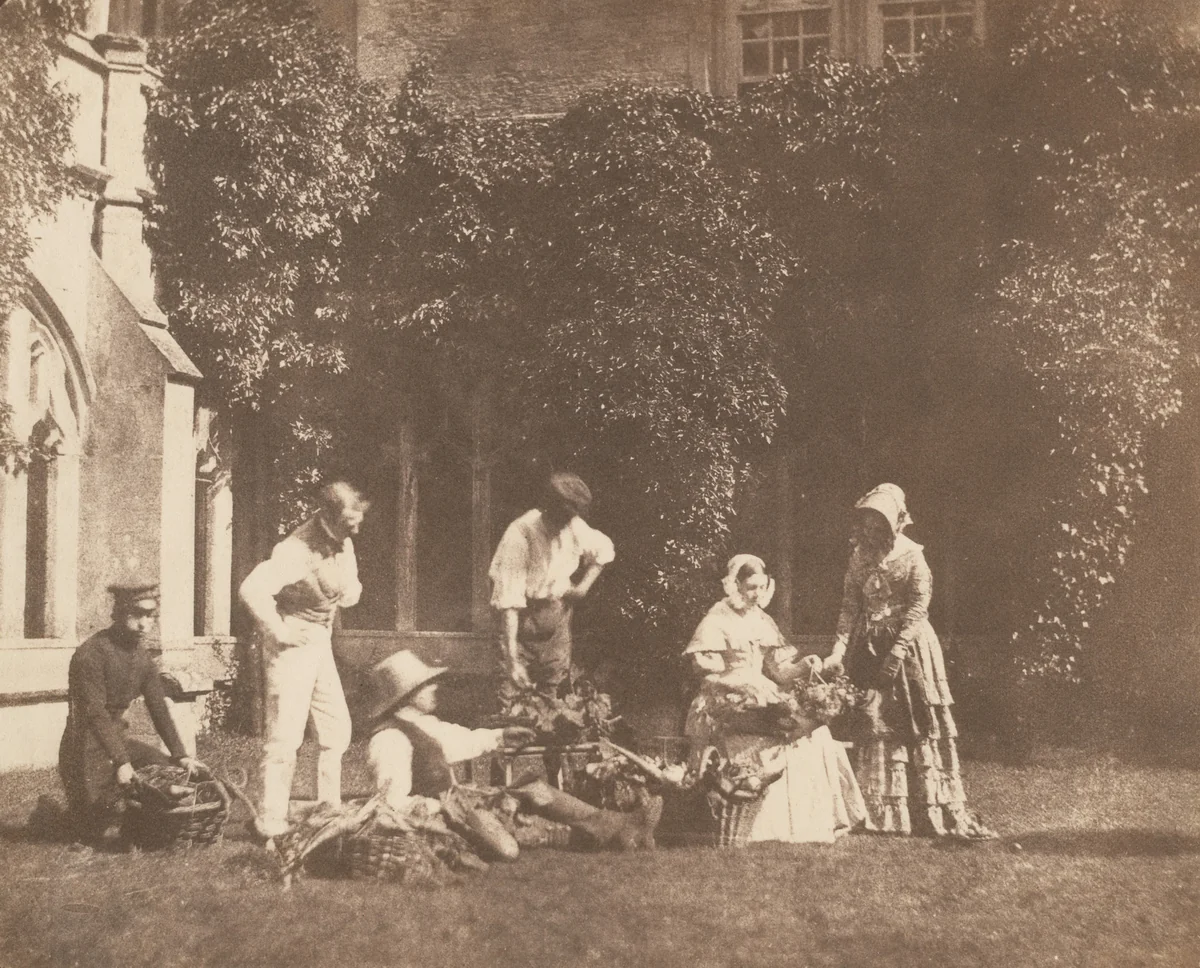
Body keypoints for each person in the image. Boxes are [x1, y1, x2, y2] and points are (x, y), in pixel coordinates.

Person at [823, 483, 994, 839]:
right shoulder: (858, 558)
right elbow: (849, 606)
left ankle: (925, 806)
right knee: (874, 719)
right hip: (868, 646)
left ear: (895, 524)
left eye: (879, 525)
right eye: (867, 523)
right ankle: (879, 811)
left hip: (909, 645)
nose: (872, 531)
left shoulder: (913, 556)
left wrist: (898, 651)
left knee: (913, 717)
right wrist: (838, 650)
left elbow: (918, 608)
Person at [683, 554, 865, 844]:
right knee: (772, 733)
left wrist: (805, 664)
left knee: (813, 736)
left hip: (761, 689)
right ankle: (754, 823)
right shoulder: (716, 619)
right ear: (735, 585)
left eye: (761, 587)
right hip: (726, 694)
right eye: (750, 587)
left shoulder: (762, 620)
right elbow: (706, 670)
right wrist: (728, 676)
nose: (757, 594)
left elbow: (780, 671)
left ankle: (810, 822)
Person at [239, 480, 368, 843]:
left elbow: (349, 590)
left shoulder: (344, 541)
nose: (356, 529)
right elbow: (251, 589)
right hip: (292, 644)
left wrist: (347, 591)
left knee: (335, 727)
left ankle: (329, 811)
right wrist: (279, 631)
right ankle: (271, 820)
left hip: (320, 641)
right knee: (285, 735)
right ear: (328, 515)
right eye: (350, 522)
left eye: (358, 521)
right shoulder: (295, 549)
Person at [58, 581, 200, 844]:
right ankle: (67, 817)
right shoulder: (91, 654)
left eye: (150, 616)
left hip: (117, 742)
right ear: (120, 613)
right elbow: (95, 715)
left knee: (168, 773)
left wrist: (180, 755)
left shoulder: (142, 658)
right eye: (137, 615)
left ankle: (131, 817)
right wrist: (122, 762)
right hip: (84, 748)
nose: (144, 624)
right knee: (94, 828)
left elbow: (158, 708)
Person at [488, 471, 614, 695]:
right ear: (547, 510)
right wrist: (512, 661)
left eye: (568, 519)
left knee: (552, 694)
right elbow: (509, 604)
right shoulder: (520, 535)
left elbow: (603, 549)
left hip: (557, 621)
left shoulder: (573, 526)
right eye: (560, 520)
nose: (564, 526)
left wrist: (582, 589)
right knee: (510, 693)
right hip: (521, 624)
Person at [364, 650, 537, 811]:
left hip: (442, 814)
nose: (434, 687)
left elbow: (462, 740)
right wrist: (441, 806)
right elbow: (391, 802)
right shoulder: (390, 739)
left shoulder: (422, 725)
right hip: (420, 826)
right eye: (425, 684)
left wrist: (501, 736)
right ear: (408, 695)